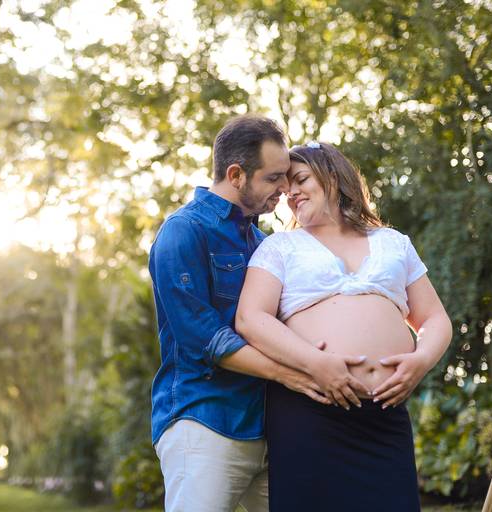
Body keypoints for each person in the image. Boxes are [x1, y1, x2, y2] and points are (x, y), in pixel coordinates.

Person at [148, 118, 370, 512]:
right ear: (236, 175)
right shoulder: (183, 231)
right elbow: (204, 337)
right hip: (205, 422)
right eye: (273, 178)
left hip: (272, 429)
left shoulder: (264, 243)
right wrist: (296, 373)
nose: (285, 188)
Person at [236, 141, 452, 511]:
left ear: (333, 177)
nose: (291, 193)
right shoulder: (279, 247)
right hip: (310, 411)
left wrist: (421, 361)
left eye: (301, 180)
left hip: (384, 417)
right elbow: (250, 319)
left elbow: (434, 318)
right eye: (286, 188)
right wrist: (315, 363)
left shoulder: (393, 243)